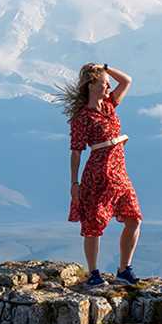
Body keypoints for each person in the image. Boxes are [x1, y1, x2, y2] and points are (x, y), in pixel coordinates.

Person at [56, 63, 143, 287]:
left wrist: (106, 67)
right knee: (94, 224)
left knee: (134, 219)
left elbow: (127, 80)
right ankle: (94, 273)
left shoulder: (110, 106)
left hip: (119, 173)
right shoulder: (82, 117)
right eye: (104, 83)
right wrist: (74, 182)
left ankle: (125, 269)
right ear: (91, 85)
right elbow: (76, 151)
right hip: (98, 173)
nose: (108, 86)